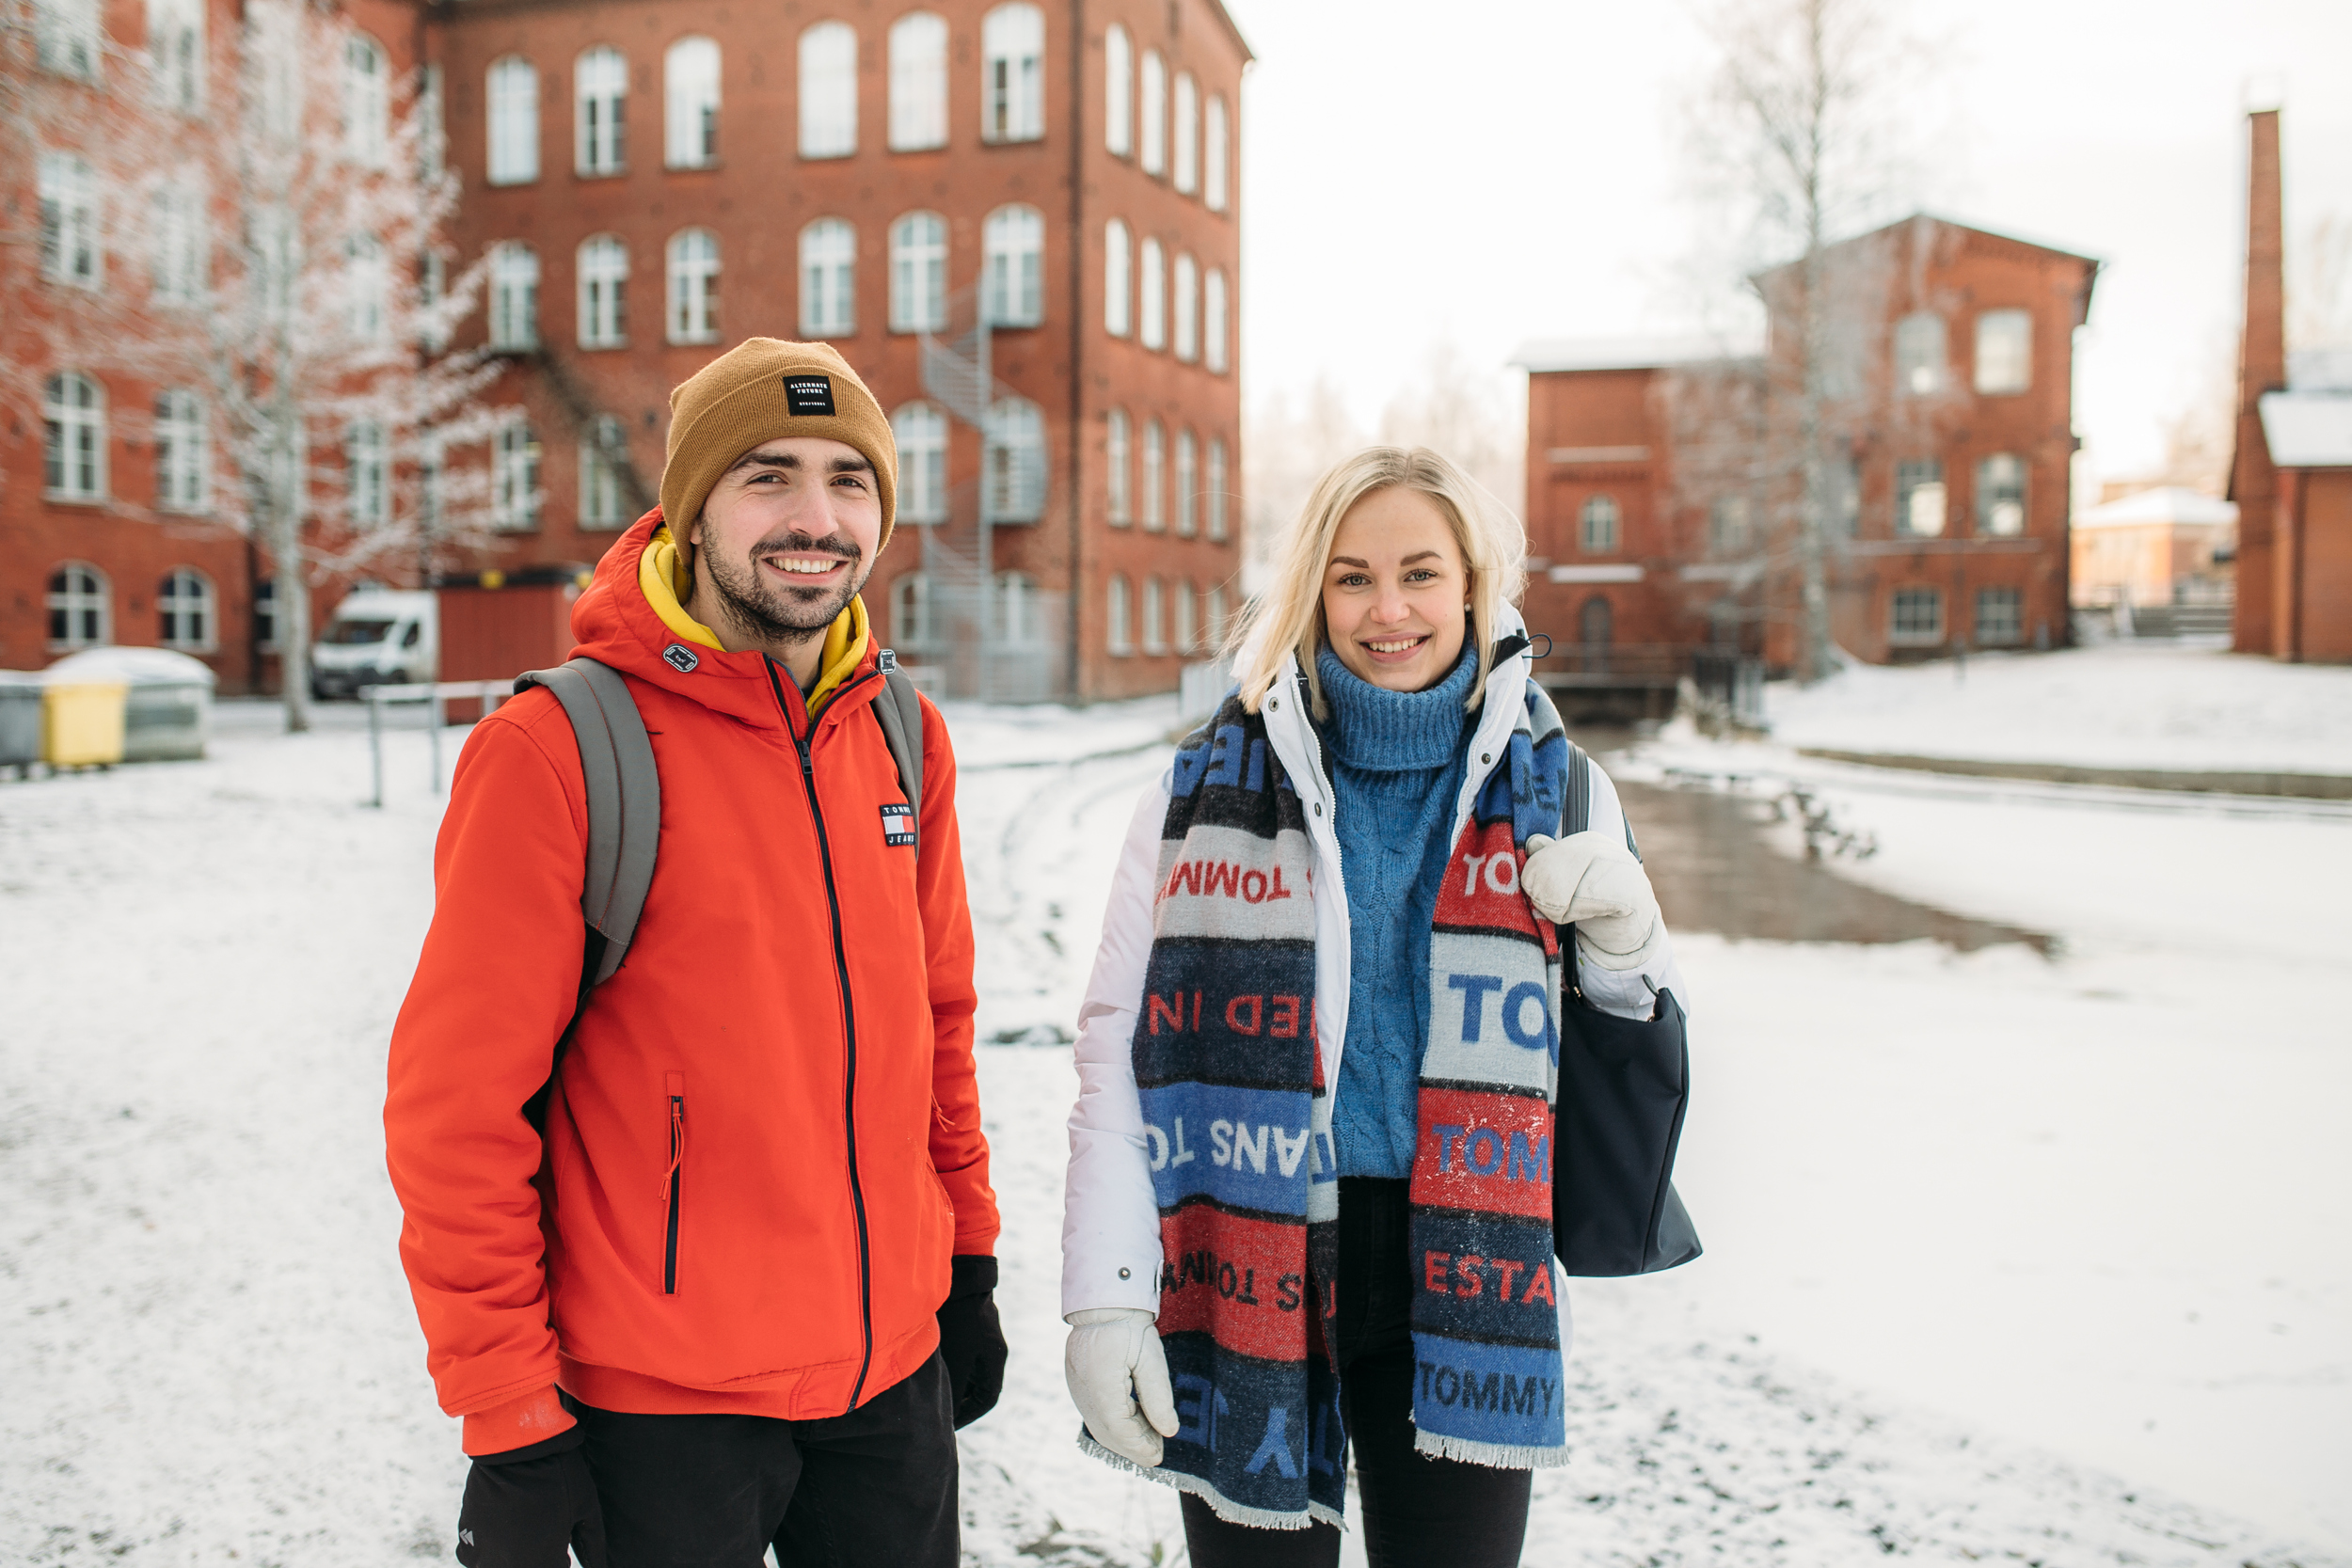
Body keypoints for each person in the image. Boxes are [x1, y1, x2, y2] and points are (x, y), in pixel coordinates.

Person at [385, 339, 1004, 1568]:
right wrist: (506, 1408)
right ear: (694, 506)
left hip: (889, 1378)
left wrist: (968, 1256)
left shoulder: (898, 730)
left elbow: (938, 1026)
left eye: (851, 479)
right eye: (768, 476)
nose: (817, 517)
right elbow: (456, 1113)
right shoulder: (560, 746)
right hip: (658, 1405)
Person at [1059, 447, 1686, 1565]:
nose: (1387, 609)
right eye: (1351, 577)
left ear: (1473, 583)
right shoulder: (1201, 786)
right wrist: (1105, 1295)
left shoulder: (1562, 785)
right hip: (1247, 1250)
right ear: (1311, 589)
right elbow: (1120, 1045)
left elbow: (1621, 1039)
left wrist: (1630, 943)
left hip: (1468, 1265)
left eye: (1420, 573)